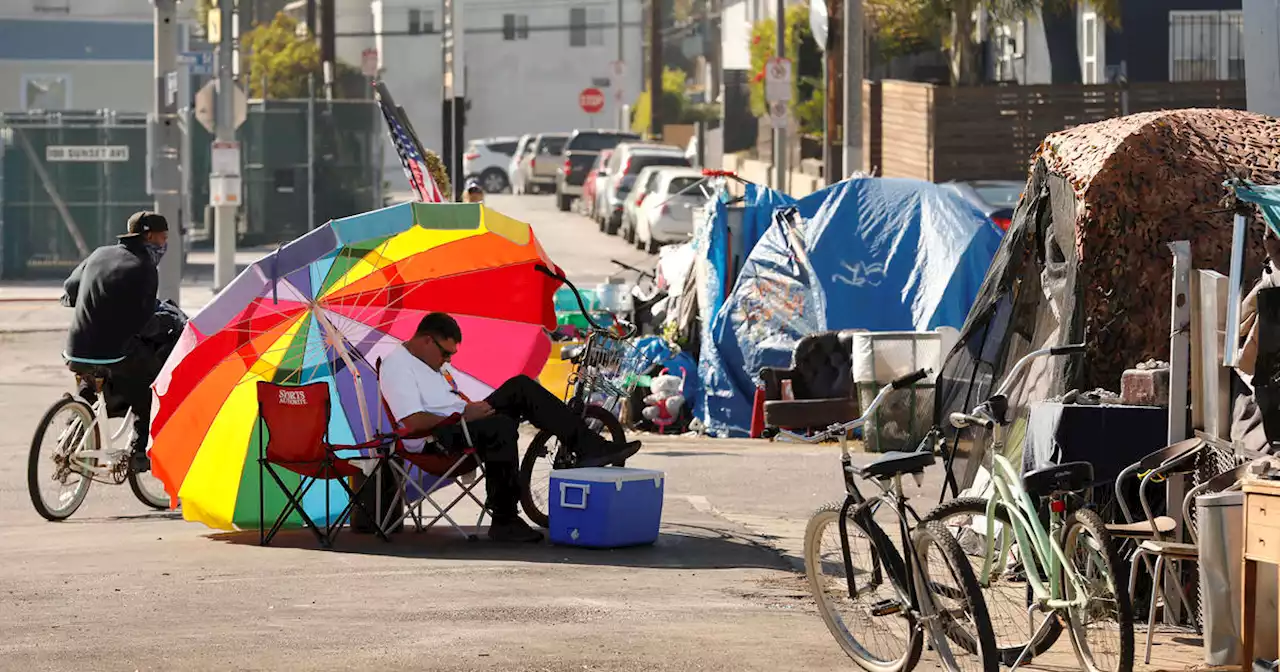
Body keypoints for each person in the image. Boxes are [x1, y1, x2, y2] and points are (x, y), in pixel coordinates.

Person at [379, 312, 641, 543]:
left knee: (521, 386)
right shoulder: (397, 365)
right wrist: (465, 415)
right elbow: (412, 422)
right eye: (445, 353)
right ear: (426, 340)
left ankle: (586, 445)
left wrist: (471, 409)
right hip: (437, 438)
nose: (447, 360)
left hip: (463, 420)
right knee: (499, 426)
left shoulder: (430, 363)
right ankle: (504, 520)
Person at [60, 211, 171, 473]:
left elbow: (71, 288)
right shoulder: (144, 266)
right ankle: (139, 453)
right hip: (113, 353)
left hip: (75, 349)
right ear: (148, 236)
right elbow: (145, 322)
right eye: (163, 238)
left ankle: (73, 432)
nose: (165, 244)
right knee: (150, 388)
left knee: (90, 384)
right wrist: (166, 324)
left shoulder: (99, 254)